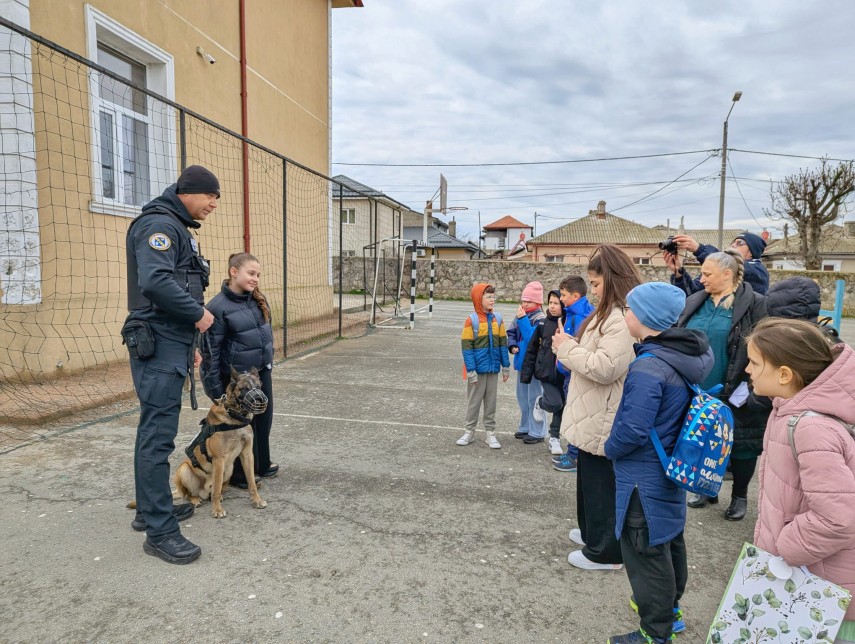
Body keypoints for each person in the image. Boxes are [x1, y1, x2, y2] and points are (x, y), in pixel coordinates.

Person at [604, 282, 714, 644]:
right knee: (668, 540)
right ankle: (671, 612)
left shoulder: (648, 366)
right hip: (669, 469)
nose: (625, 315)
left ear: (645, 317)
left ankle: (655, 632)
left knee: (644, 549)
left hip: (643, 475)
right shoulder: (681, 356)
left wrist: (609, 447)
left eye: (629, 310)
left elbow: (633, 429)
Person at [123, 165, 219, 564]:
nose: (214, 204)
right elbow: (157, 283)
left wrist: (189, 344)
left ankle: (149, 511)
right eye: (211, 196)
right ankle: (161, 532)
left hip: (171, 342)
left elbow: (175, 284)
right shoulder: (158, 226)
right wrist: (198, 315)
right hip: (158, 340)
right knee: (157, 437)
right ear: (190, 192)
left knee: (154, 431)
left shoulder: (178, 228)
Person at [746, 318, 855, 644]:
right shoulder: (788, 412)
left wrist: (785, 548)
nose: (747, 370)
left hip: (820, 588)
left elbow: (837, 519)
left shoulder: (810, 428)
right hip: (807, 575)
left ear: (784, 374)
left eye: (754, 363)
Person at [552, 244, 639, 570]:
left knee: (601, 486)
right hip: (593, 413)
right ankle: (592, 534)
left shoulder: (618, 319)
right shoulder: (606, 314)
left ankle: (605, 552)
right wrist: (570, 347)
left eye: (597, 284)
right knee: (589, 481)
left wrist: (566, 349)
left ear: (614, 281)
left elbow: (605, 367)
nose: (593, 290)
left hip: (603, 415)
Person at [675, 250, 768, 521]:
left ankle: (739, 496)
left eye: (707, 274)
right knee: (704, 440)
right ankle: (706, 488)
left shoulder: (755, 303)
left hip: (738, 386)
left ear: (727, 275)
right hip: (698, 389)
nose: (700, 278)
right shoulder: (695, 300)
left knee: (742, 445)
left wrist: (751, 386)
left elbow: (762, 345)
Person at [201, 252, 276, 489]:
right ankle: (240, 476)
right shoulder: (217, 307)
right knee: (240, 427)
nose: (255, 279)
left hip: (259, 375)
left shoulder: (255, 300)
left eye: (258, 275)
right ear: (234, 272)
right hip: (238, 382)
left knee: (263, 419)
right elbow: (209, 353)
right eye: (251, 273)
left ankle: (260, 464)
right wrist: (215, 389)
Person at [458, 283, 510, 449]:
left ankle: (490, 433)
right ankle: (469, 431)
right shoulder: (471, 321)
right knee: (474, 402)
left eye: (493, 297)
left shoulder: (498, 320)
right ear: (478, 299)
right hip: (477, 371)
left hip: (493, 369)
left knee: (491, 402)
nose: (492, 300)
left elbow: (503, 344)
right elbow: (467, 349)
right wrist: (471, 371)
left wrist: (505, 367)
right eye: (488, 297)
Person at [551, 275, 596, 469]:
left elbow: (578, 344)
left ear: (575, 296)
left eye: (563, 295)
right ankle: (574, 453)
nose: (561, 299)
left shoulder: (579, 317)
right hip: (572, 370)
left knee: (575, 414)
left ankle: (574, 456)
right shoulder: (579, 311)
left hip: (574, 372)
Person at [520, 290, 564, 450]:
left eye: (556, 303)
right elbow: (531, 350)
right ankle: (541, 402)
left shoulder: (568, 323)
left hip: (563, 374)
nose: (552, 306)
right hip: (545, 374)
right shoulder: (543, 324)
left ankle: (554, 438)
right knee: (555, 403)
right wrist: (526, 375)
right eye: (550, 302)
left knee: (562, 405)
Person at [664, 231, 769, 296]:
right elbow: (691, 294)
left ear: (751, 252)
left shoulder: (757, 271)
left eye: (740, 243)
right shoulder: (718, 271)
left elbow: (729, 264)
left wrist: (699, 249)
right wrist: (678, 273)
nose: (733, 245)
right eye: (733, 242)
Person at [507, 281, 547, 444]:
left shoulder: (541, 318)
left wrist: (523, 319)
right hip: (522, 363)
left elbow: (533, 339)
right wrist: (512, 345)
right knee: (522, 398)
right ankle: (525, 427)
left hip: (535, 366)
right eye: (523, 301)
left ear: (538, 302)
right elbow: (511, 333)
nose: (524, 304)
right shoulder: (520, 315)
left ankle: (537, 431)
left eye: (528, 301)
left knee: (535, 398)